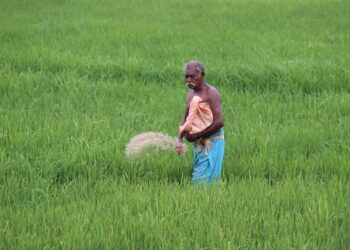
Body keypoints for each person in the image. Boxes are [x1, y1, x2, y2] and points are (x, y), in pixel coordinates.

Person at [176, 60, 225, 185]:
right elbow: (186, 116)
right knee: (202, 179)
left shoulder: (211, 93)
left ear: (202, 75)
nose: (188, 80)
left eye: (192, 76)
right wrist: (179, 138)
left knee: (202, 181)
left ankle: (204, 201)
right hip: (199, 142)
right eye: (186, 77)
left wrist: (197, 135)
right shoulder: (190, 94)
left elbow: (219, 122)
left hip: (212, 142)